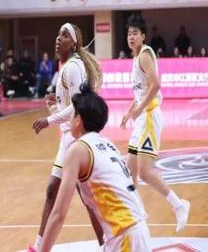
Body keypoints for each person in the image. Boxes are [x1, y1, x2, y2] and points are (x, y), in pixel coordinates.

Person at [39, 83, 152, 252]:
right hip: (134, 230)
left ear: (78, 120)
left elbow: (58, 214)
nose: (68, 119)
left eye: (71, 115)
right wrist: (55, 109)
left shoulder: (77, 150)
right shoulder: (107, 144)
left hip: (125, 236)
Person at [27, 23, 105, 252]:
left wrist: (48, 120)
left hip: (78, 139)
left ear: (74, 43)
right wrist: (54, 107)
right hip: (68, 139)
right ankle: (39, 246)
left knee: (88, 200)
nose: (58, 39)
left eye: (64, 35)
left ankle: (107, 245)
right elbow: (70, 106)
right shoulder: (68, 66)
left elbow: (78, 107)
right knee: (52, 190)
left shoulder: (72, 67)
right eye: (58, 34)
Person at [121, 15, 190, 234]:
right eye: (129, 33)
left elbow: (156, 85)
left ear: (143, 36)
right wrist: (130, 111)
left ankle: (179, 205)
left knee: (144, 172)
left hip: (150, 117)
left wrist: (139, 109)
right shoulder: (135, 58)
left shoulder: (144, 54)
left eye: (135, 33)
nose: (131, 37)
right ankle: (137, 214)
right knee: (130, 169)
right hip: (142, 119)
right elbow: (140, 92)